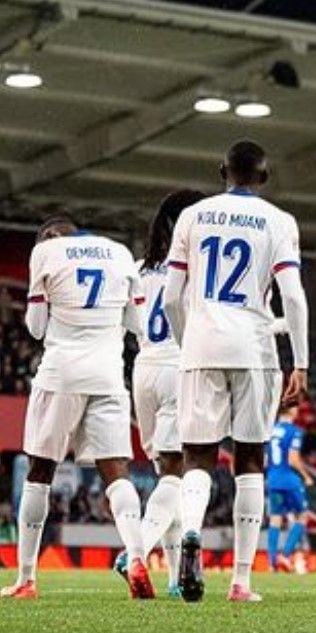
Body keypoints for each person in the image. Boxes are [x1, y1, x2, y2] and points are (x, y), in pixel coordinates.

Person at [163, 140, 309, 603]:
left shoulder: (192, 216)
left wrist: (189, 342)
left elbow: (170, 297)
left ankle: (191, 533)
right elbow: (294, 297)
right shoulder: (279, 221)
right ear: (263, 179)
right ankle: (241, 581)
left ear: (220, 170)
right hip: (255, 349)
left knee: (198, 456)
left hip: (202, 345)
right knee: (249, 460)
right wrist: (300, 362)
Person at [4, 214, 149, 600]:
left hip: (61, 373)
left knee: (40, 471)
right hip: (108, 374)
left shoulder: (47, 253)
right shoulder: (119, 253)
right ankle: (136, 557)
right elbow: (137, 323)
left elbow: (35, 328)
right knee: (117, 472)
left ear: (49, 237)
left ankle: (26, 578)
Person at [119, 189, 206, 598]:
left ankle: (172, 579)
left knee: (165, 475)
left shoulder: (138, 268)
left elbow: (130, 324)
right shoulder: (191, 269)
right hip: (176, 366)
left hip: (144, 368)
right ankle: (134, 551)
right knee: (178, 473)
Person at [265, 405, 312, 572]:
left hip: (272, 478)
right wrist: (306, 476)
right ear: (291, 410)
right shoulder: (295, 431)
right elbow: (293, 459)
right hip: (289, 480)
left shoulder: (269, 430)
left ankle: (271, 563)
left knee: (275, 518)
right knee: (302, 516)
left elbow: (265, 458)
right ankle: (285, 555)